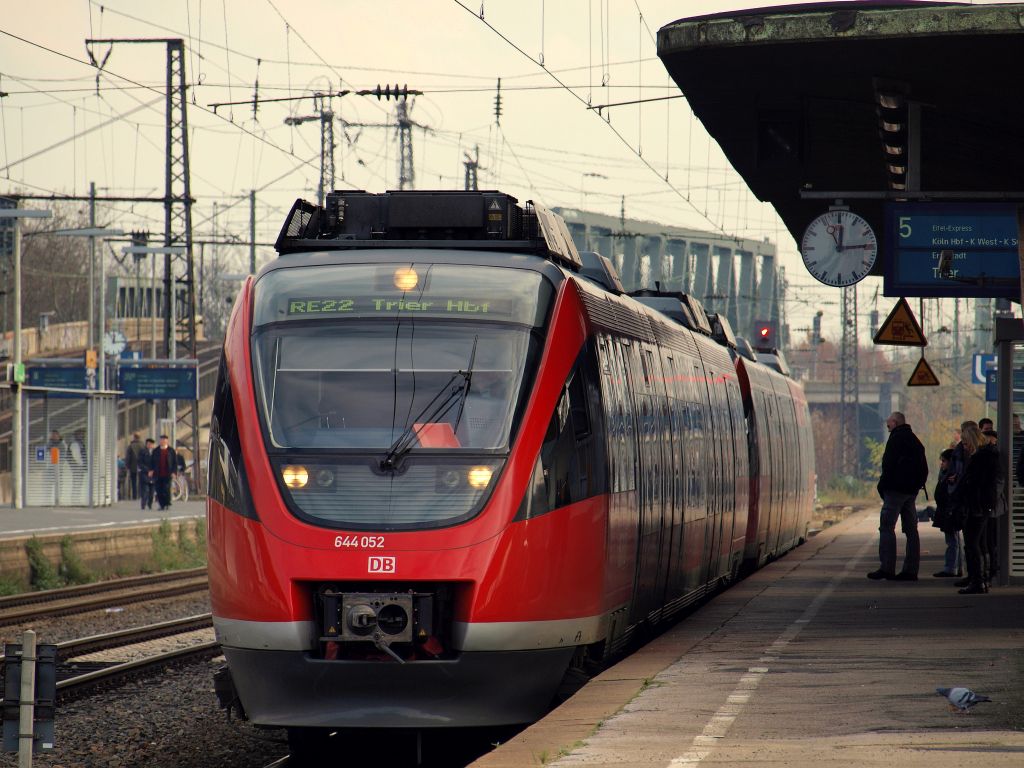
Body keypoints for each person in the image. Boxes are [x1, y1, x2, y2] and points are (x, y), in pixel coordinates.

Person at [868, 411, 927, 581]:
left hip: (894, 492)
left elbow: (888, 466)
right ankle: (910, 570)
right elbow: (924, 469)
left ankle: (887, 568)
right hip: (910, 493)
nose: (887, 428)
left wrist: (883, 487)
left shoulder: (895, 439)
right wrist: (915, 487)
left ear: (895, 422)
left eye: (889, 425)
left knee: (886, 527)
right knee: (911, 530)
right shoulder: (915, 441)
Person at [953, 423, 1000, 594]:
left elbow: (976, 483)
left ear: (972, 441)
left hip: (977, 505)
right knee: (978, 543)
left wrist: (962, 490)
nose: (964, 447)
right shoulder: (986, 455)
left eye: (965, 443)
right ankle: (981, 579)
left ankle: (978, 581)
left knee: (973, 544)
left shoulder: (981, 457)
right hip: (981, 504)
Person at [931, 448, 962, 578]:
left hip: (950, 511)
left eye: (944, 461)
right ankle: (956, 567)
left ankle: (951, 568)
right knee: (954, 540)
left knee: (952, 541)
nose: (941, 464)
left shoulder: (951, 476)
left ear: (951, 462)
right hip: (946, 510)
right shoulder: (945, 474)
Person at [148, 435, 179, 511]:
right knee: (159, 490)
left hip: (168, 474)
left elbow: (175, 463)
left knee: (166, 489)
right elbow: (152, 462)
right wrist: (151, 470)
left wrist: (174, 472)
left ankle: (167, 503)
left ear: (167, 441)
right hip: (158, 473)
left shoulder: (171, 451)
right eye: (161, 440)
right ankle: (161, 505)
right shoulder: (156, 451)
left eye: (164, 440)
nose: (162, 441)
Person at [125, 432, 143, 500]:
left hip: (133, 466)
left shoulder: (130, 446)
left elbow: (128, 457)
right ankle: (140, 495)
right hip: (141, 466)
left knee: (133, 481)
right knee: (141, 481)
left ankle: (134, 495)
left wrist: (127, 465)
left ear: (134, 437)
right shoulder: (143, 445)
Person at [139, 438, 156, 510]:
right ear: (146, 444)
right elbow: (140, 463)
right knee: (145, 490)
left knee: (152, 491)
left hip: (153, 474)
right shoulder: (142, 452)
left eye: (151, 444)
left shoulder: (155, 453)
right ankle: (143, 504)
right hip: (144, 474)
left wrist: (153, 471)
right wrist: (147, 471)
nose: (150, 445)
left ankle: (150, 504)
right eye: (149, 444)